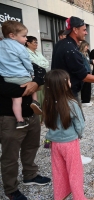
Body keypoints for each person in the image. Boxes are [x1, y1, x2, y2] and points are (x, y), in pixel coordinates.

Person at [0, 21, 51, 200]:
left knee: (31, 147)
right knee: (10, 156)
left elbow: (40, 71)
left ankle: (30, 175)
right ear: (11, 35)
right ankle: (11, 189)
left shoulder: (19, 52)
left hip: (31, 113)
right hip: (9, 117)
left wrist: (36, 82)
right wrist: (27, 88)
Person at [42, 69, 94, 200]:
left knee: (58, 170)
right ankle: (79, 197)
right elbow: (80, 124)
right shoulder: (71, 103)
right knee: (75, 171)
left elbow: (47, 123)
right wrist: (79, 135)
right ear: (65, 84)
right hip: (70, 143)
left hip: (54, 143)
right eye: (69, 80)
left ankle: (60, 195)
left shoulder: (47, 102)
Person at [51, 16, 94, 104]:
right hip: (68, 95)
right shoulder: (71, 49)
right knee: (75, 117)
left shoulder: (60, 44)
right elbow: (84, 76)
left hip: (59, 92)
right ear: (75, 30)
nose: (86, 33)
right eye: (84, 30)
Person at [0, 21, 42, 129]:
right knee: (32, 84)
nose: (26, 39)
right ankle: (35, 101)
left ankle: (20, 121)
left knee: (16, 100)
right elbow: (27, 62)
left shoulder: (1, 45)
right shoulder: (20, 47)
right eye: (24, 36)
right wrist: (32, 73)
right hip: (22, 76)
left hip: (7, 78)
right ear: (12, 35)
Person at [25, 36, 50, 123]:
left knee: (44, 97)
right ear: (28, 43)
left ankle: (44, 117)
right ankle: (38, 119)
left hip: (43, 77)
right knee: (37, 99)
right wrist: (41, 64)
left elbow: (46, 62)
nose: (36, 44)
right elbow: (34, 63)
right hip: (34, 78)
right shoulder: (26, 52)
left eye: (37, 42)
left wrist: (41, 64)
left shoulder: (38, 52)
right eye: (34, 42)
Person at [79, 40, 94, 107]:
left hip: (88, 71)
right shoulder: (80, 54)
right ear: (83, 46)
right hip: (85, 71)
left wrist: (92, 61)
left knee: (88, 86)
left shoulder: (86, 53)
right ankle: (85, 101)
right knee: (85, 87)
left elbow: (88, 61)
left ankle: (87, 100)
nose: (87, 48)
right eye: (86, 46)